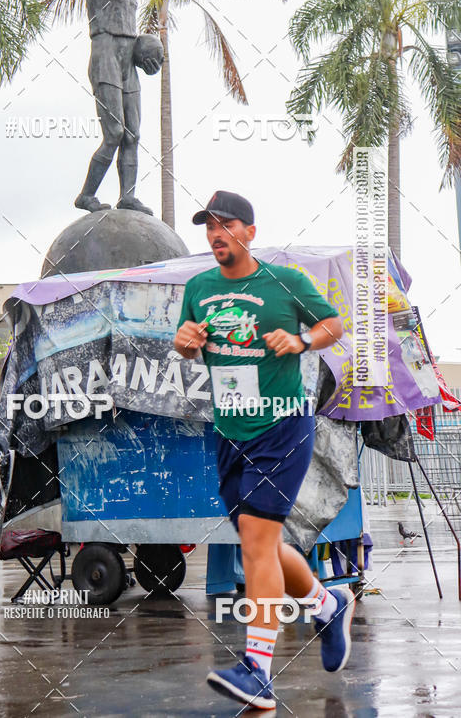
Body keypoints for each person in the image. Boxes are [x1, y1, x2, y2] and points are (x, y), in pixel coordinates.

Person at [173, 190, 355, 711]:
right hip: (231, 432)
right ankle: (327, 604)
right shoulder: (199, 288)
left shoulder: (286, 281)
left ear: (249, 232)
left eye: (226, 225)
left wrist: (300, 341)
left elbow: (333, 325)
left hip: (282, 425)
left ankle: (258, 671)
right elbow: (186, 343)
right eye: (209, 227)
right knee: (264, 547)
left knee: (256, 538)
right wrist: (184, 343)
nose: (216, 235)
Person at [74, 0, 164, 215]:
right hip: (106, 56)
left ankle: (128, 195)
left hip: (127, 59)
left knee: (132, 134)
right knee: (114, 132)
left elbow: (132, 30)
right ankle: (86, 196)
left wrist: (146, 53)